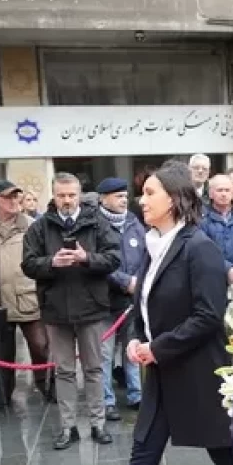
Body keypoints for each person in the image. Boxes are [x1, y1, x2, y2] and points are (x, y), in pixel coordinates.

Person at [75, 162, 233, 465]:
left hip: (200, 372)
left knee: (224, 453)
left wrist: (156, 348)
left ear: (176, 199)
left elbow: (207, 315)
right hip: (163, 371)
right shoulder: (153, 243)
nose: (141, 201)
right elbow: (143, 304)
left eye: (150, 194)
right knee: (143, 451)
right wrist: (136, 342)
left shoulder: (199, 247)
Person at [22, 173, 122, 450]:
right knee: (64, 370)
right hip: (55, 309)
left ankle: (98, 424)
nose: (67, 201)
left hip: (91, 307)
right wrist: (51, 262)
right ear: (53, 196)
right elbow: (28, 264)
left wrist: (86, 258)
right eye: (61, 195)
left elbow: (114, 257)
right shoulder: (39, 227)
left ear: (79, 195)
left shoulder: (97, 222)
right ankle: (68, 427)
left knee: (93, 368)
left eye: (71, 195)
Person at [0, 180, 51, 409]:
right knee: (0, 352)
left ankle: (47, 387)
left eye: (16, 197)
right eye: (8, 197)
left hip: (28, 297)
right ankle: (2, 394)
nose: (14, 201)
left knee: (41, 346)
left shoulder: (33, 225)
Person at [97, 177, 146, 421]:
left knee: (132, 349)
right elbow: (97, 263)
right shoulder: (94, 225)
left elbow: (147, 255)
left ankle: (136, 395)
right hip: (104, 301)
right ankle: (107, 401)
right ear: (103, 199)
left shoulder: (135, 223)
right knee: (104, 354)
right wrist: (125, 281)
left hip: (131, 301)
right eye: (117, 196)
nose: (123, 200)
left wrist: (138, 280)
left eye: (125, 196)